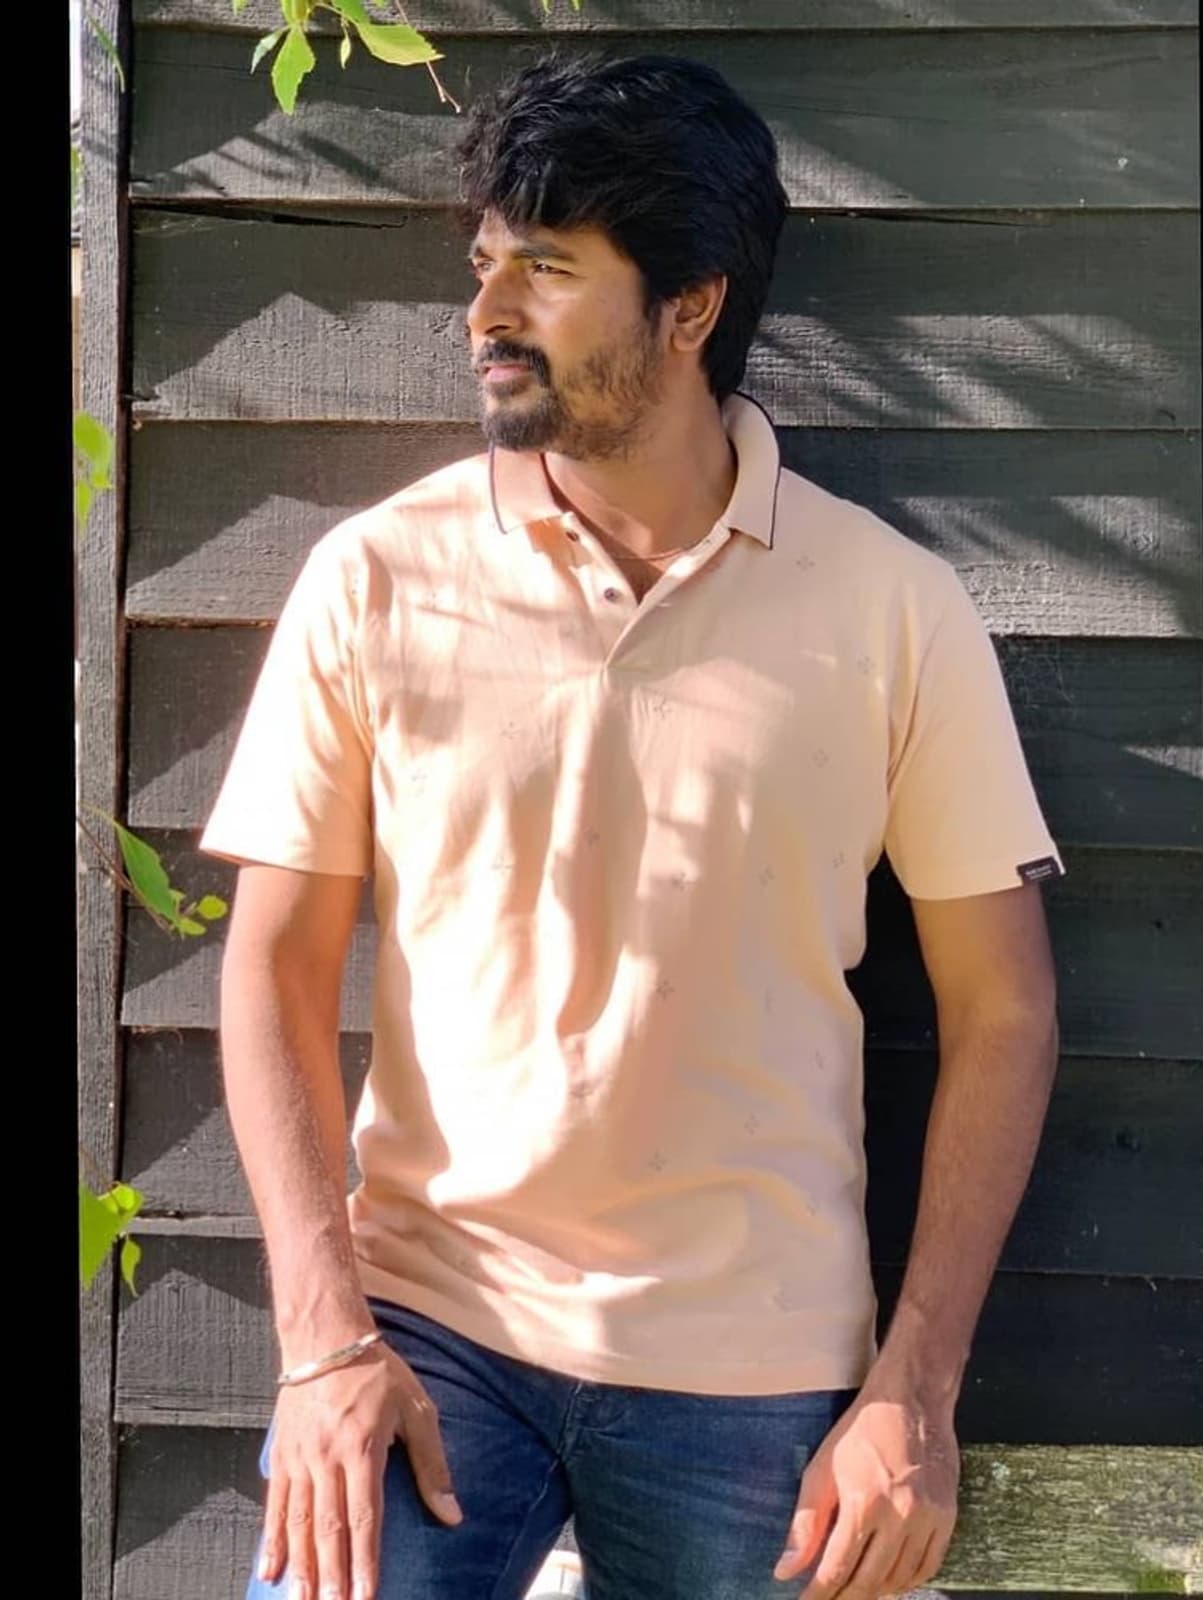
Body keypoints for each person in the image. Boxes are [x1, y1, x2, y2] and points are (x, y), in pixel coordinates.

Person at [202, 51, 1063, 1600]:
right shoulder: (376, 579)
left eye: (545, 268)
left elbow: (1004, 1011)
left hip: (756, 1367)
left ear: (690, 306)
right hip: (430, 1325)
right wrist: (323, 1342)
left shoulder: (894, 612)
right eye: (484, 263)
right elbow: (271, 967)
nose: (485, 313)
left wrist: (915, 1391)